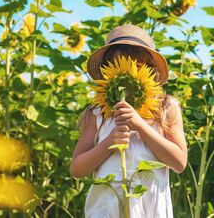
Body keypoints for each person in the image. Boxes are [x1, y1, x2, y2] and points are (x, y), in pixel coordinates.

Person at [70, 24, 187, 218]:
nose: (129, 73)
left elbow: (179, 162)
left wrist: (140, 126)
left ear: (150, 71)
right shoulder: (98, 112)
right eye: (120, 65)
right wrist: (109, 144)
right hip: (106, 208)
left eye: (137, 66)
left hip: (149, 208)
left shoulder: (166, 108)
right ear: (107, 71)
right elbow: (77, 169)